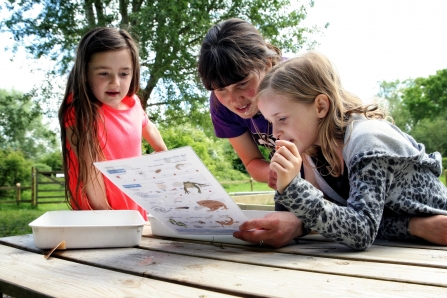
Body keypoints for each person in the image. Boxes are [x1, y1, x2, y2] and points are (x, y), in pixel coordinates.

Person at [241, 51, 447, 250]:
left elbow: (361, 231)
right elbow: (324, 215)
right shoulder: (312, 151)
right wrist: (284, 188)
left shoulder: (367, 141)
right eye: (271, 122)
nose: (275, 132)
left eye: (282, 119)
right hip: (400, 243)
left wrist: (293, 188)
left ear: (320, 106)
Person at [58, 27, 167, 221]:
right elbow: (90, 174)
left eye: (124, 74)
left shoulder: (133, 103)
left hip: (136, 215)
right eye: (104, 73)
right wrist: (108, 219)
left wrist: (163, 154)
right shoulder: (79, 111)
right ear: (85, 74)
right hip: (100, 219)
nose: (115, 82)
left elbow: (147, 126)